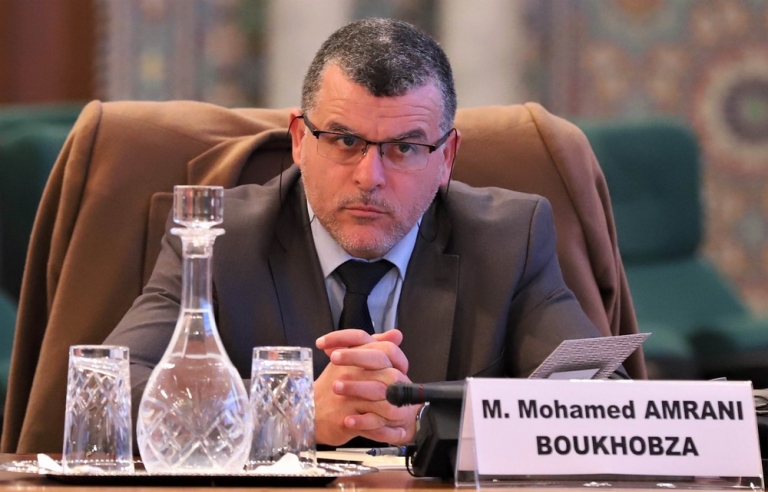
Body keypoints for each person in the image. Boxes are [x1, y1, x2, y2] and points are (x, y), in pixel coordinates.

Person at [105, 17, 607, 448]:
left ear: (447, 158)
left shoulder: (509, 240)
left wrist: (431, 423)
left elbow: (605, 409)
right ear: (299, 141)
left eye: (404, 148)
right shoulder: (216, 241)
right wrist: (291, 413)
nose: (370, 177)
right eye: (345, 141)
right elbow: (109, 393)